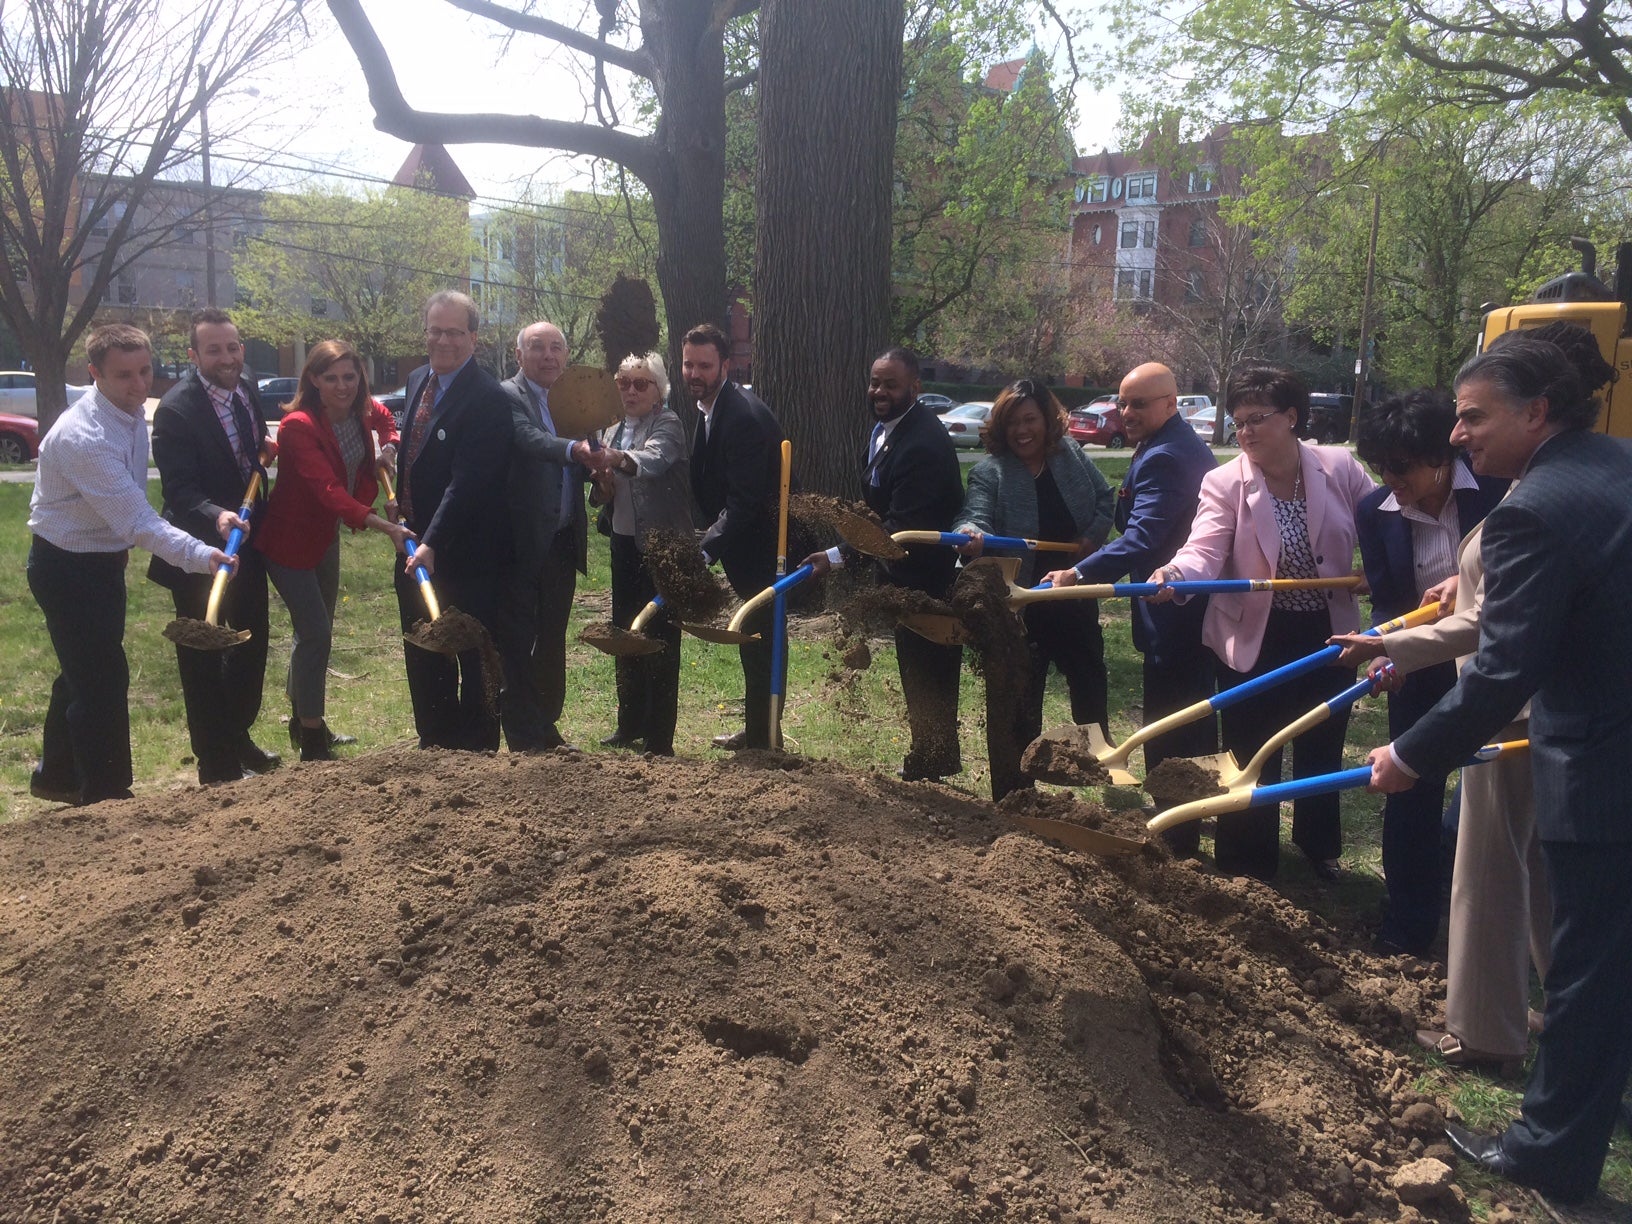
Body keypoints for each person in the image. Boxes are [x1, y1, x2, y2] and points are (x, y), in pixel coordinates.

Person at [1367, 334, 1632, 1205]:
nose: (1457, 434)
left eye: (1474, 417)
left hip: (1602, 766)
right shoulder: (1615, 468)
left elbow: (1509, 668)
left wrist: (1409, 755)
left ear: (1537, 412)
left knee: (1590, 967)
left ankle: (1550, 1155)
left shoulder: (1530, 509)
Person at [1152, 364, 1374, 881]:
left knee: (1321, 744)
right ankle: (1248, 863)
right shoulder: (1225, 481)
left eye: (1258, 418)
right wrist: (1177, 574)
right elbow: (1204, 548)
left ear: (1292, 417)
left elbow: (1383, 523)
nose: (1245, 431)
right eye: (1238, 421)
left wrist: (1376, 575)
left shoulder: (1338, 467)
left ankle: (1320, 848)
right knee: (1251, 748)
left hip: (1329, 634)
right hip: (1256, 635)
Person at [27, 325, 236, 806]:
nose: (140, 384)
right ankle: (105, 791)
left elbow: (129, 510)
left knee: (82, 667)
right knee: (102, 677)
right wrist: (201, 556)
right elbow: (140, 520)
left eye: (145, 371)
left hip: (100, 559)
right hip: (64, 566)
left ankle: (56, 775)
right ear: (94, 373)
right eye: (124, 375)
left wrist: (117, 545)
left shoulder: (127, 414)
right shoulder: (86, 437)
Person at [1342, 390, 1509, 955]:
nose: (1390, 478)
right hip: (1419, 662)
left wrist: (1465, 588)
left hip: (1494, 664)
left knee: (1489, 789)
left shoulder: (1497, 489)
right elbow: (1389, 602)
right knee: (1408, 784)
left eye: (1402, 465)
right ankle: (1408, 927)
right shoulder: (1374, 511)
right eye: (1379, 465)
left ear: (1443, 457)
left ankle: (1481, 927)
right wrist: (1390, 653)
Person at [1042, 362, 1218, 854]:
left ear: (1170, 403)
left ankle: (1175, 834)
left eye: (1138, 403)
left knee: (1171, 723)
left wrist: (1078, 573)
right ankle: (1193, 816)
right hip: (1188, 607)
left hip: (1176, 611)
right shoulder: (1166, 445)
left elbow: (1144, 537)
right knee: (1194, 719)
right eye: (1122, 402)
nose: (1126, 412)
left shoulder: (1168, 455)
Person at [802, 347, 967, 781]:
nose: (879, 391)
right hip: (899, 571)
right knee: (914, 664)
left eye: (890, 384)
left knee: (929, 666)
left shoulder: (923, 443)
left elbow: (901, 526)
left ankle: (935, 757)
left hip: (928, 577)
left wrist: (837, 557)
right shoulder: (885, 430)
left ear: (915, 387)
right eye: (875, 382)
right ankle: (930, 754)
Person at [254, 341, 413, 760]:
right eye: (331, 378)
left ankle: (300, 718)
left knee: (314, 630)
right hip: (287, 542)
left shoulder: (362, 410)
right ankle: (312, 740)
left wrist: (390, 447)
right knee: (316, 633)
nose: (342, 386)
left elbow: (385, 421)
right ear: (313, 380)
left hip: (324, 538)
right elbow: (326, 490)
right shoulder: (298, 426)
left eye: (350, 376)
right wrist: (382, 524)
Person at [955, 378, 1115, 779]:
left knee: (1089, 684)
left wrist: (1090, 539)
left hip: (1074, 593)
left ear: (1047, 420)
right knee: (1023, 697)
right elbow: (973, 516)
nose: (1022, 431)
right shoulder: (990, 473)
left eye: (1030, 420)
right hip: (1024, 603)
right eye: (1012, 423)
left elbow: (1104, 498)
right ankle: (1020, 781)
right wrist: (971, 534)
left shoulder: (1071, 455)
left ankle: (1100, 765)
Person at [148, 307, 279, 786]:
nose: (226, 356)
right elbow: (179, 490)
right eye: (214, 349)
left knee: (251, 643)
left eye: (232, 346)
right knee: (202, 655)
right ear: (193, 355)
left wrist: (262, 451)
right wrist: (217, 515)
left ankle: (236, 732)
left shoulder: (244, 389)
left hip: (246, 546)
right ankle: (215, 762)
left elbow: (248, 449)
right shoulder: (176, 411)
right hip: (195, 552)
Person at [394, 290, 514, 751]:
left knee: (474, 653)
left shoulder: (486, 398)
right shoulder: (417, 379)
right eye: (435, 330)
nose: (443, 341)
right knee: (424, 650)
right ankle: (435, 741)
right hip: (413, 548)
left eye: (455, 332)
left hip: (466, 554)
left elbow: (469, 483)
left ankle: (477, 748)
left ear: (474, 338)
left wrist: (434, 540)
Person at [684, 322, 786, 751]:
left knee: (762, 636)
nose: (694, 373)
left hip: (764, 546)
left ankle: (765, 736)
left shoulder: (741, 415)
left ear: (725, 364)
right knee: (753, 638)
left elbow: (743, 502)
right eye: (688, 364)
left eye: (704, 365)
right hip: (740, 544)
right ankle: (759, 729)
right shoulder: (712, 407)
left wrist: (704, 550)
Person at [594, 352, 694, 755]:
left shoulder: (668, 423)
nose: (631, 391)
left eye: (641, 384)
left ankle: (659, 737)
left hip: (663, 549)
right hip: (624, 545)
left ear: (658, 391)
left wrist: (612, 458)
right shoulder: (613, 428)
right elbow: (604, 493)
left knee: (660, 639)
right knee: (626, 633)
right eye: (624, 384)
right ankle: (629, 723)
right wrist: (600, 482)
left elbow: (651, 461)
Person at [498, 320, 589, 753]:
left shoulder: (571, 401)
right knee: (518, 641)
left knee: (552, 638)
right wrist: (575, 450)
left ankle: (546, 727)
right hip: (520, 543)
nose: (548, 356)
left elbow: (584, 459)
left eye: (556, 348)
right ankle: (522, 733)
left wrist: (598, 473)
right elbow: (529, 439)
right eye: (538, 347)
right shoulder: (507, 397)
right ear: (519, 356)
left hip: (562, 542)